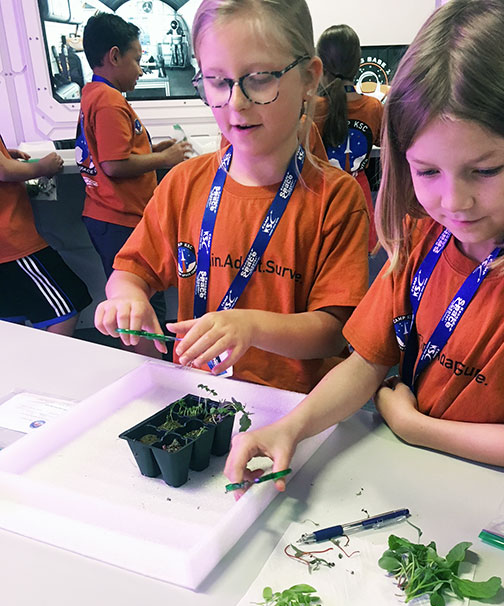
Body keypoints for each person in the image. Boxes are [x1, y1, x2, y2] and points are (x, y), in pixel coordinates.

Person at [224, 0, 504, 490]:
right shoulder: (421, 238)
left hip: (502, 501)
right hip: (410, 483)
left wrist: (414, 426)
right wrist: (290, 427)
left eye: (485, 170)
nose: (454, 202)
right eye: (426, 171)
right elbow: (365, 362)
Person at [94, 0, 369, 394]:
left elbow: (333, 332)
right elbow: (130, 272)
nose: (236, 102)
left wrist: (249, 326)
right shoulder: (183, 184)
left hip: (292, 410)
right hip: (198, 394)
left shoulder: (334, 198)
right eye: (218, 81)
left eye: (259, 78)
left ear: (309, 77)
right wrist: (127, 299)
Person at [76, 12, 191, 352]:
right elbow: (113, 164)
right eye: (137, 60)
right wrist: (164, 160)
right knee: (140, 303)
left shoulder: (94, 94)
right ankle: (151, 366)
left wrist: (152, 150)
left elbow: (113, 151)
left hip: (106, 213)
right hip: (119, 217)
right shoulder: (110, 101)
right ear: (114, 56)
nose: (141, 70)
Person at [0, 137, 91, 334]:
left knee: (10, 315)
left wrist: (6, 156)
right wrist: (41, 168)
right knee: (68, 303)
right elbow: (3, 171)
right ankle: (51, 363)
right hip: (12, 242)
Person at [314, 24, 383, 251]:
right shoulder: (373, 108)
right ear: (357, 64)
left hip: (322, 198)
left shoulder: (311, 109)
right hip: (359, 197)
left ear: (320, 66)